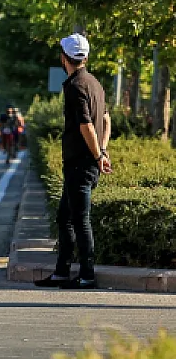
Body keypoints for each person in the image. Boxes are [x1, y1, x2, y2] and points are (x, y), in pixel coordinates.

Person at [35, 33, 111, 290]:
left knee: (80, 220)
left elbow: (87, 124)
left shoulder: (74, 86)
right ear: (85, 57)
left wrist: (98, 154)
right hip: (87, 160)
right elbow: (106, 121)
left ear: (63, 58)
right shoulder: (95, 83)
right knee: (65, 217)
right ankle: (61, 271)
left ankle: (87, 275)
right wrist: (102, 150)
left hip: (80, 162)